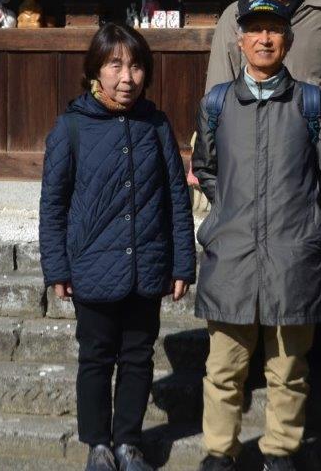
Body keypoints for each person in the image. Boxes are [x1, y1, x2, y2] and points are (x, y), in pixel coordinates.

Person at [39, 23, 197, 471]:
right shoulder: (71, 127)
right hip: (92, 266)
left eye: (136, 66)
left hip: (146, 264)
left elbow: (176, 197)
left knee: (138, 357)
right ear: (96, 71)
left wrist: (182, 262)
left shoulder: (156, 125)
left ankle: (128, 443)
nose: (127, 77)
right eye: (115, 65)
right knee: (95, 358)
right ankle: (98, 445)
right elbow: (53, 205)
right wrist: (57, 267)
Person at [191, 0, 321, 471]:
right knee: (223, 368)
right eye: (255, 30)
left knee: (288, 369)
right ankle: (219, 451)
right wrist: (229, 210)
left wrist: (308, 224)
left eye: (274, 30)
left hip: (293, 253)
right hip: (232, 252)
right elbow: (206, 168)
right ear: (240, 40)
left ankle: (280, 450)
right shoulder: (217, 103)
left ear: (288, 41)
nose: (264, 39)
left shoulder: (311, 103)